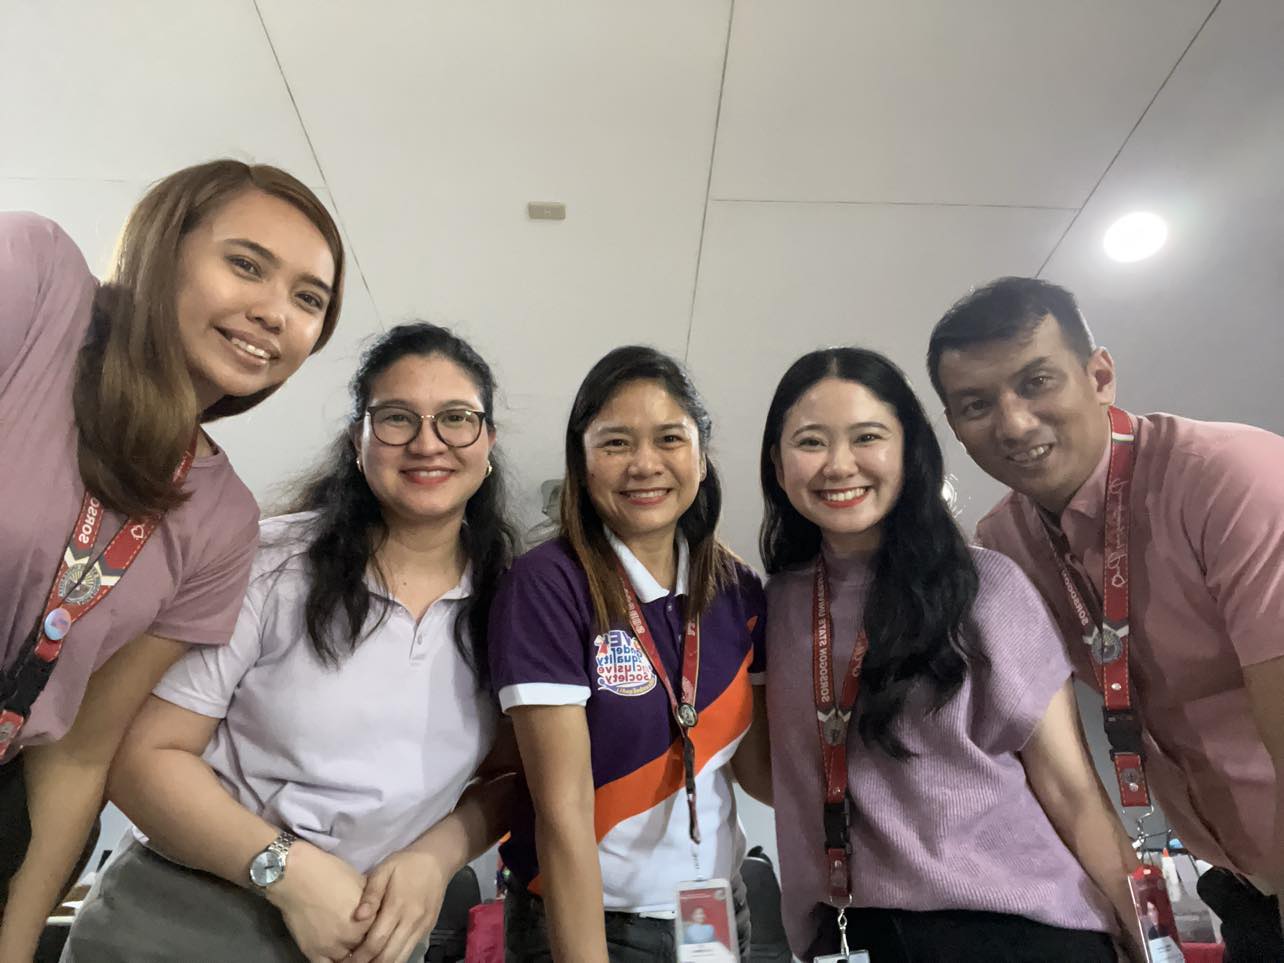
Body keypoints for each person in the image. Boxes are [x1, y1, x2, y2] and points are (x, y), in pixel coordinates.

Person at [61, 323, 518, 963]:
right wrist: (287, 871)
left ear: (487, 440)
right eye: (395, 418)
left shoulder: (512, 598)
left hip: (369, 941)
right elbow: (142, 759)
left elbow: (511, 774)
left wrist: (436, 857)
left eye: (456, 418)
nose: (426, 442)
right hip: (181, 923)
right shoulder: (270, 563)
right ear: (358, 440)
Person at [0, 160, 344, 959]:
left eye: (308, 299)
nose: (273, 312)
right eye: (246, 264)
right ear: (164, 247)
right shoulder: (36, 279)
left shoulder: (223, 517)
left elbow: (79, 751)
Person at [928, 276, 1284, 959]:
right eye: (977, 404)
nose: (1013, 423)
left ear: (1099, 376)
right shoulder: (1006, 544)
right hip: (1240, 888)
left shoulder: (1228, 478)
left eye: (1036, 382)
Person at [759, 347, 1146, 962]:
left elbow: (1072, 791)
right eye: (811, 442)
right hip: (855, 934)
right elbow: (771, 773)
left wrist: (1153, 941)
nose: (839, 465)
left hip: (1018, 932)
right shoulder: (773, 607)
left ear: (909, 453)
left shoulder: (985, 585)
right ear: (778, 466)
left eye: (867, 437)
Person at [488, 346, 769, 962]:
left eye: (670, 438)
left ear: (701, 456)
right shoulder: (549, 585)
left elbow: (757, 774)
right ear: (582, 461)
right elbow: (562, 814)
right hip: (598, 925)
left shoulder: (736, 588)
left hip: (714, 913)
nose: (645, 464)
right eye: (616, 443)